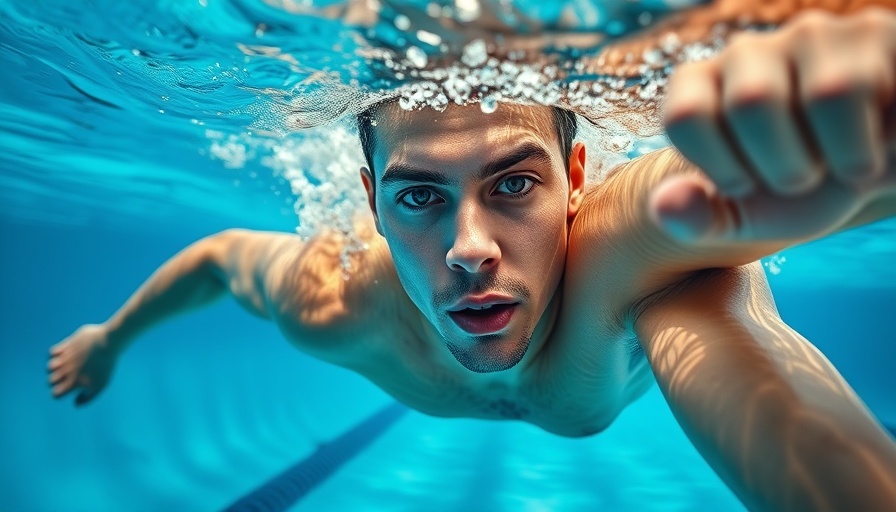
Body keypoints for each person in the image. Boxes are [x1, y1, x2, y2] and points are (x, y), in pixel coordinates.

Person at [48, 8, 896, 511]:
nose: (469, 252)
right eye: (417, 195)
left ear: (573, 179)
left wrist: (857, 113)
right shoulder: (336, 302)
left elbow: (684, 219)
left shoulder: (623, 267)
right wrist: (109, 338)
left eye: (514, 184)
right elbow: (219, 259)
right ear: (372, 202)